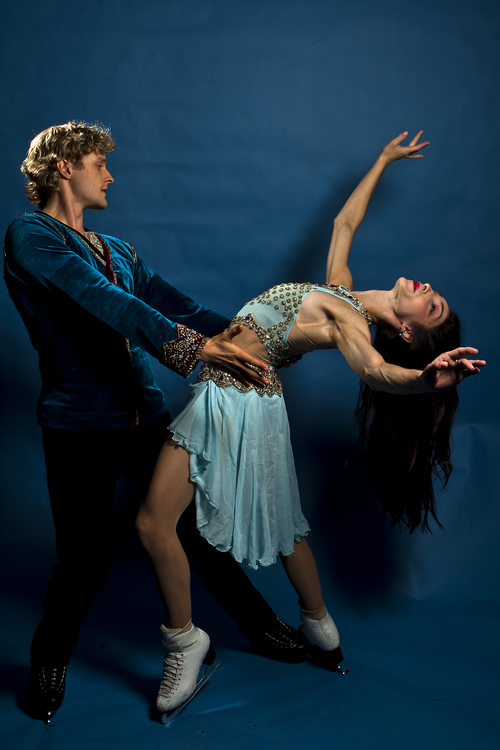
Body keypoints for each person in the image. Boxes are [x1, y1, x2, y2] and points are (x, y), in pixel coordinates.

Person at [135, 131, 485, 720]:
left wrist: (425, 380)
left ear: (410, 333)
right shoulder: (340, 291)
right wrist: (381, 161)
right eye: (435, 294)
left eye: (432, 307)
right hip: (232, 391)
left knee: (166, 523)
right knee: (270, 527)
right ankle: (312, 627)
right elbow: (344, 225)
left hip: (240, 400)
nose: (428, 290)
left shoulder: (348, 321)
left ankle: (189, 643)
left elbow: (374, 372)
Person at [3, 121, 309, 725]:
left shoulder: (117, 249)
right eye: (99, 162)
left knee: (196, 529)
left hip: (146, 416)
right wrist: (198, 349)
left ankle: (258, 625)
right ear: (64, 167)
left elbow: (182, 305)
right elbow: (107, 302)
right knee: (86, 560)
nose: (110, 174)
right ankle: (49, 659)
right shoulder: (30, 237)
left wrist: (266, 340)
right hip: (79, 427)